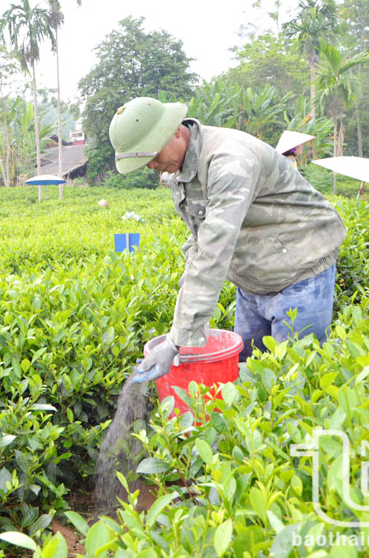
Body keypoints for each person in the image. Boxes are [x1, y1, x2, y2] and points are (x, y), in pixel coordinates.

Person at [109, 96, 346, 378]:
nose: (152, 166)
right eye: (145, 161)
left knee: (292, 380)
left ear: (175, 130)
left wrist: (176, 341)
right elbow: (200, 234)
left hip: (301, 269)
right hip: (252, 274)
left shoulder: (230, 160)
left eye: (153, 155)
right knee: (246, 370)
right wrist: (189, 295)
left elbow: (214, 248)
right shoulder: (178, 166)